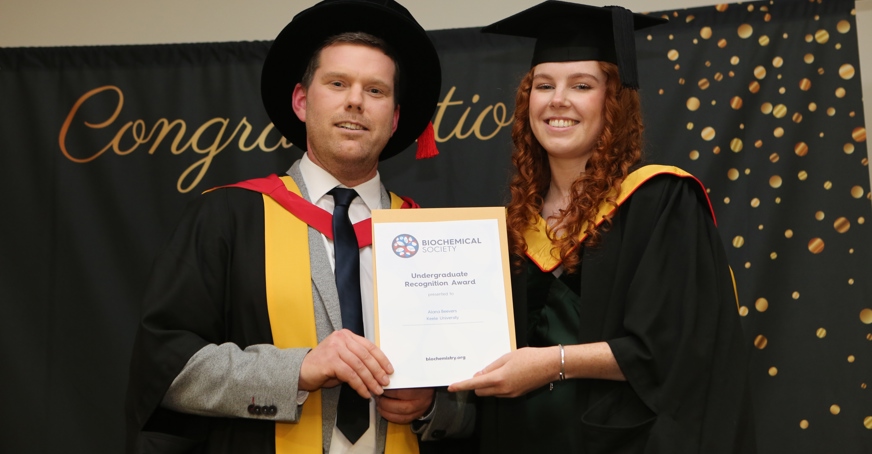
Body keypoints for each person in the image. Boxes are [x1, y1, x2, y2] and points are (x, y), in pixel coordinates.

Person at [125, 1, 473, 453]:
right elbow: (165, 372)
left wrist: (433, 407)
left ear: (395, 120)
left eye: (376, 90)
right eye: (337, 83)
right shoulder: (228, 218)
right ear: (302, 101)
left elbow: (476, 391)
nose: (355, 101)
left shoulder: (434, 238)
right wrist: (297, 370)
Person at [448, 2, 757, 453]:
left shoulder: (659, 201)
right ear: (526, 100)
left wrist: (552, 363)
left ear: (613, 101)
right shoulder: (513, 225)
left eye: (582, 85)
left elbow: (675, 349)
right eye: (544, 85)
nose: (558, 100)